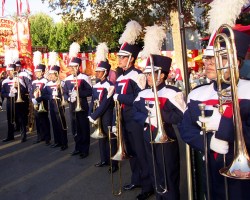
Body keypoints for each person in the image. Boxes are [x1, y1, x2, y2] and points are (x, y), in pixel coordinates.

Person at [179, 29, 250, 199]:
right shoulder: (197, 94)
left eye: (220, 57)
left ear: (236, 62)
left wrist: (224, 126)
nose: (209, 63)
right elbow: (185, 128)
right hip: (209, 165)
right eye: (208, 58)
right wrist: (209, 142)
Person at [113, 20, 153, 199]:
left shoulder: (137, 75)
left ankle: (147, 186)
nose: (119, 59)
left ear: (130, 58)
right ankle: (136, 179)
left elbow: (140, 98)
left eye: (122, 57)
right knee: (131, 152)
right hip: (123, 118)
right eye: (119, 57)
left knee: (141, 153)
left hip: (135, 119)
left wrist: (120, 97)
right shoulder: (122, 76)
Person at [88, 43, 118, 173]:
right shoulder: (95, 85)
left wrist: (95, 115)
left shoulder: (110, 85)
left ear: (105, 72)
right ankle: (104, 159)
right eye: (97, 71)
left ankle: (114, 163)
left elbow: (106, 103)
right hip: (98, 114)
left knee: (110, 139)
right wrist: (90, 113)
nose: (97, 73)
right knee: (101, 138)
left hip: (107, 115)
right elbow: (92, 101)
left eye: (99, 71)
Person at [63, 42, 92, 158]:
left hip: (83, 106)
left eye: (74, 67)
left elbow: (90, 91)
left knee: (84, 128)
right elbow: (64, 92)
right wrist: (69, 97)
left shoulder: (84, 77)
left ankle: (85, 149)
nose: (72, 69)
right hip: (72, 106)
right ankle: (77, 147)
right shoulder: (67, 79)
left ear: (78, 67)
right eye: (71, 67)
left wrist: (79, 93)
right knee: (75, 128)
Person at [37, 52, 68, 151]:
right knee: (54, 124)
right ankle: (57, 141)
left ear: (56, 74)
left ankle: (64, 142)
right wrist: (51, 96)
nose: (50, 76)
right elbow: (44, 94)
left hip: (59, 106)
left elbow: (65, 94)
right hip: (51, 105)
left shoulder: (62, 83)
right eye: (49, 74)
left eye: (52, 74)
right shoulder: (48, 84)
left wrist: (58, 94)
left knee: (61, 124)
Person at [1, 49, 28, 142]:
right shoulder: (5, 81)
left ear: (14, 70)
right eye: (8, 71)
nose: (9, 72)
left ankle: (23, 135)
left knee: (20, 119)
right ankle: (10, 135)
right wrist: (8, 94)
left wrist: (18, 87)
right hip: (9, 102)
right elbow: (2, 93)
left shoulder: (19, 79)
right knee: (10, 119)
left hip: (18, 101)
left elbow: (25, 90)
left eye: (11, 70)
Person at [30, 51, 51, 145]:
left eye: (38, 72)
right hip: (36, 103)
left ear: (42, 72)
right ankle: (40, 136)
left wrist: (39, 97)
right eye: (35, 72)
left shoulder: (46, 81)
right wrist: (32, 98)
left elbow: (46, 92)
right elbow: (31, 91)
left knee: (44, 120)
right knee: (38, 120)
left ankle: (47, 138)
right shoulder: (34, 82)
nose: (36, 73)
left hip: (43, 103)